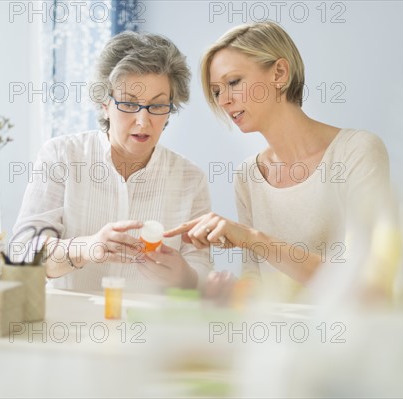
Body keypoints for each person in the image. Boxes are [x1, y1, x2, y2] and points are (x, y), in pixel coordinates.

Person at [165, 21, 390, 301]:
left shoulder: (356, 151)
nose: (223, 100)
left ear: (280, 73)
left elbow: (367, 285)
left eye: (233, 82)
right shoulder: (249, 175)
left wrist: (252, 238)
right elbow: (255, 282)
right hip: (275, 339)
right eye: (217, 91)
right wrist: (224, 292)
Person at [10, 31, 213, 293]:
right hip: (69, 327)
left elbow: (203, 270)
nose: (143, 121)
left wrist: (185, 277)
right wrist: (85, 248)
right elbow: (22, 254)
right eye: (129, 104)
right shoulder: (62, 156)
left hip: (150, 329)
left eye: (158, 105)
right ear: (104, 103)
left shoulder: (190, 179)